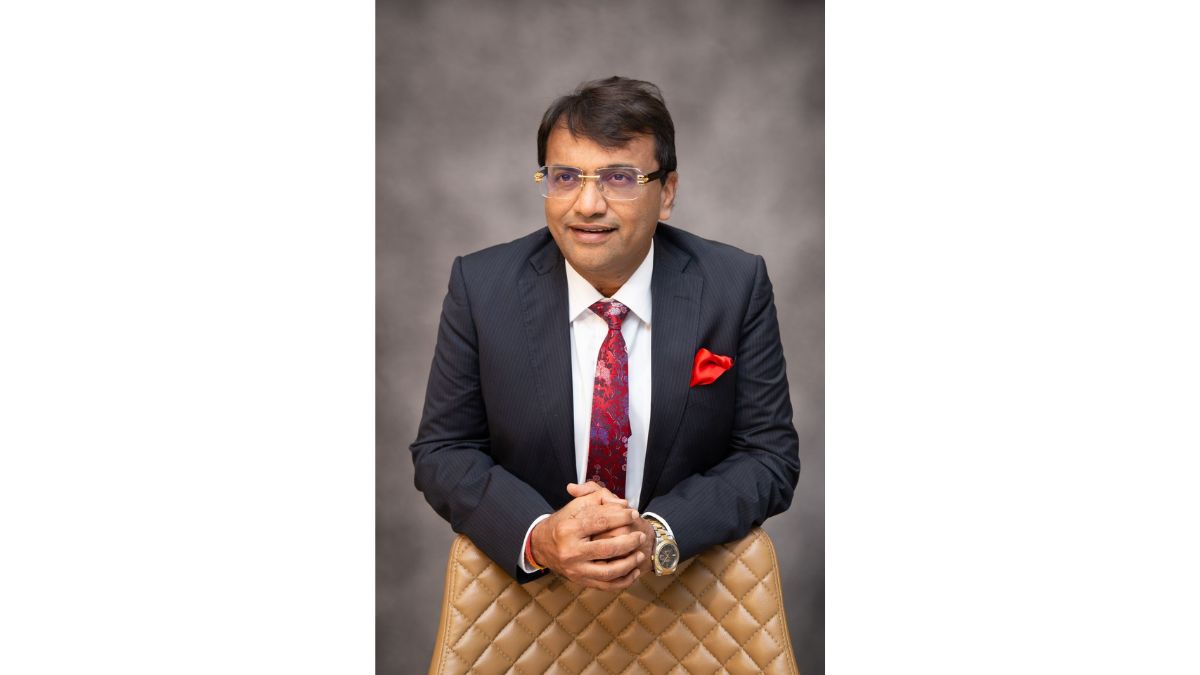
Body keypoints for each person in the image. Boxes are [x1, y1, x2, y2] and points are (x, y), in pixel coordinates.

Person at [411, 76, 800, 590]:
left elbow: (768, 456)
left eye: (619, 178)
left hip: (683, 592)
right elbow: (445, 450)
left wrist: (657, 534)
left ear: (667, 193)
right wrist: (540, 536)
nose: (588, 204)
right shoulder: (482, 287)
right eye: (565, 177)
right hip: (533, 597)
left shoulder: (734, 285)